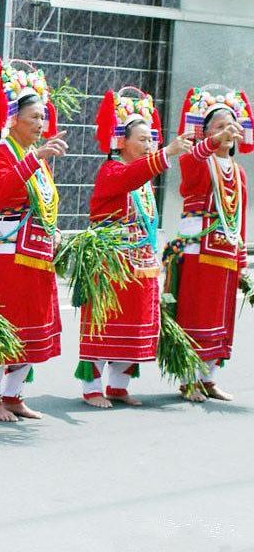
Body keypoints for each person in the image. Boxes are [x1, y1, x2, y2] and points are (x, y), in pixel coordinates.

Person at [76, 87, 192, 407]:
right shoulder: (112, 171)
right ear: (121, 141)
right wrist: (166, 153)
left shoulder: (142, 178)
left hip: (140, 261)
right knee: (105, 321)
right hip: (111, 261)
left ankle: (119, 385)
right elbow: (133, 176)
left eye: (152, 139)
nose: (149, 145)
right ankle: (92, 387)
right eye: (142, 139)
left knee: (135, 321)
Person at [0, 60, 67, 422]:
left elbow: (43, 205)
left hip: (37, 252)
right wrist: (35, 160)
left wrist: (53, 230)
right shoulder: (1, 153)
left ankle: (14, 394)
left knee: (30, 322)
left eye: (43, 118)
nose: (40, 125)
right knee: (5, 322)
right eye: (33, 118)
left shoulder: (34, 158)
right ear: (13, 119)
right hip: (8, 253)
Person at [167, 86, 250, 402]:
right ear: (204, 133)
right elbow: (190, 178)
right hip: (199, 251)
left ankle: (208, 377)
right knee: (196, 314)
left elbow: (239, 217)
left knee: (221, 316)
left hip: (226, 250)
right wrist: (212, 143)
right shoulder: (195, 160)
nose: (227, 131)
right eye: (219, 126)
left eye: (231, 126)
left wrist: (241, 262)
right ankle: (189, 378)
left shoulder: (239, 172)